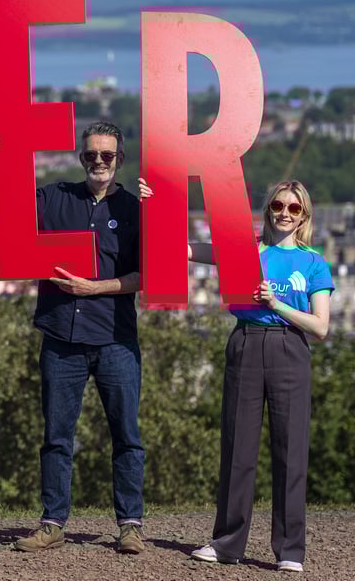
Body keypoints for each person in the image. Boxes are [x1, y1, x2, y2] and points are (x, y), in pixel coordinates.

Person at [139, 178, 331, 573]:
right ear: (268, 209)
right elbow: (182, 248)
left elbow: (321, 326)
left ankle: (290, 550)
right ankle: (227, 543)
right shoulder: (245, 250)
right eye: (278, 205)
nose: (284, 213)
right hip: (245, 341)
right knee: (237, 446)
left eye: (294, 208)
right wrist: (152, 203)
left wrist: (276, 304)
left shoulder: (314, 262)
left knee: (291, 450)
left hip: (290, 347)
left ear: (304, 216)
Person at [0, 120, 146, 554]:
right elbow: (0, 207)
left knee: (126, 434)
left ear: (120, 158)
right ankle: (53, 523)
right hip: (60, 338)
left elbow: (145, 275)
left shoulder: (134, 209)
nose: (98, 162)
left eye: (107, 155)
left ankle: (130, 525)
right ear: (81, 157)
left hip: (115, 338)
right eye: (91, 154)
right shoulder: (55, 197)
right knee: (56, 436)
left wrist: (96, 288)